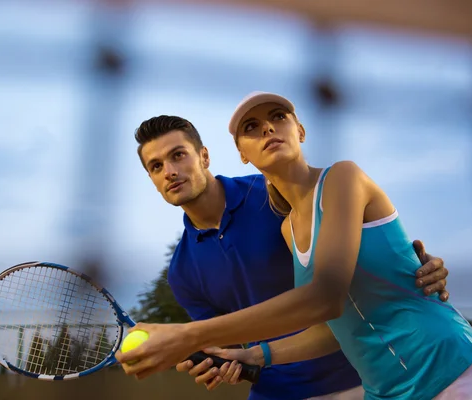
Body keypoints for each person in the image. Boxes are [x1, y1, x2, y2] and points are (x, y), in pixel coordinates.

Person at [127, 113, 451, 400]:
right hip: (277, 390)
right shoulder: (182, 273)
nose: (170, 171)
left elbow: (359, 252)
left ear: (204, 156)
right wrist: (221, 364)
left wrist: (411, 266)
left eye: (178, 156)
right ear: (152, 180)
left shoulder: (276, 197)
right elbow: (229, 346)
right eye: (156, 166)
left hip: (363, 376)